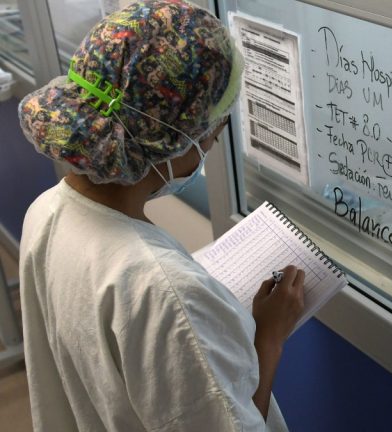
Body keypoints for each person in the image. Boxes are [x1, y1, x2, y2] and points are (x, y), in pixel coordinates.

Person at [17, 1, 303, 430]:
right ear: (173, 137)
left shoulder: (45, 211)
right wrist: (270, 336)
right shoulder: (164, 292)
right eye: (212, 132)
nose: (209, 145)